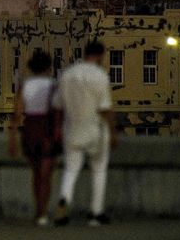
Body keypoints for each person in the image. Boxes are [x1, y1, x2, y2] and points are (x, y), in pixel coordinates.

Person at [52, 40, 116, 227]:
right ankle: (95, 213)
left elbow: (57, 106)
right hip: (95, 129)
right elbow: (105, 108)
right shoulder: (100, 76)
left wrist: (57, 129)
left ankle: (64, 202)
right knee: (98, 170)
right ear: (100, 55)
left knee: (71, 170)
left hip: (71, 129)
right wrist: (113, 131)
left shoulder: (68, 74)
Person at [7, 50, 58, 225]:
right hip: (47, 131)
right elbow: (59, 112)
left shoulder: (25, 86)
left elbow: (16, 115)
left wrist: (12, 140)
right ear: (48, 67)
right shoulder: (53, 85)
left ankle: (39, 209)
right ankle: (43, 212)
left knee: (36, 174)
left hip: (30, 130)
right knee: (46, 174)